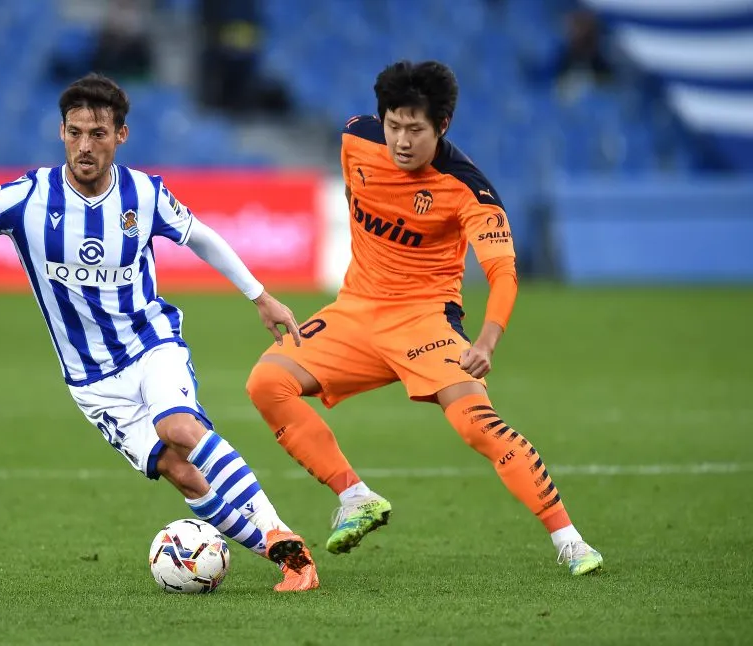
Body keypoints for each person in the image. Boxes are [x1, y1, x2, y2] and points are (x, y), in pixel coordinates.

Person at [0, 73, 318, 592]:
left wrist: (260, 296)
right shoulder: (26, 198)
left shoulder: (144, 194)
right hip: (93, 382)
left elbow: (202, 238)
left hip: (151, 346)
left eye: (97, 134)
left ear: (120, 135)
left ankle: (282, 533)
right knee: (183, 473)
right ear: (61, 133)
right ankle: (289, 562)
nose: (85, 145)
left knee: (179, 428)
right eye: (75, 132)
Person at [245, 60, 603, 575]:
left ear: (443, 125)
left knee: (477, 425)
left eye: (416, 129)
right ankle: (355, 497)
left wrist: (487, 339)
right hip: (356, 313)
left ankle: (570, 540)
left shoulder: (468, 188)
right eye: (394, 125)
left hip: (425, 322)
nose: (402, 140)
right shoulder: (354, 140)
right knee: (266, 382)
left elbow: (503, 272)